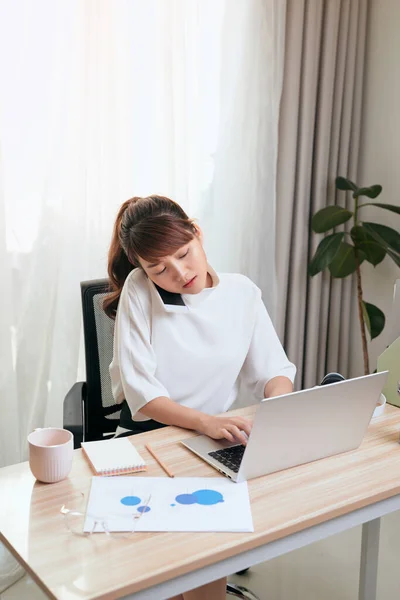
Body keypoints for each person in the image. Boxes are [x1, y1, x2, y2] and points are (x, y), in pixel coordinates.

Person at [104, 195, 296, 600]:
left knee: (206, 556)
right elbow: (143, 394)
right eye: (159, 268)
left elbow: (275, 371)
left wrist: (277, 409)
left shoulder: (242, 292)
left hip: (212, 440)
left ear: (197, 232)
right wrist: (206, 422)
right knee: (175, 561)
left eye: (184, 254)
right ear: (142, 269)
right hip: (147, 437)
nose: (178, 272)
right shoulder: (139, 292)